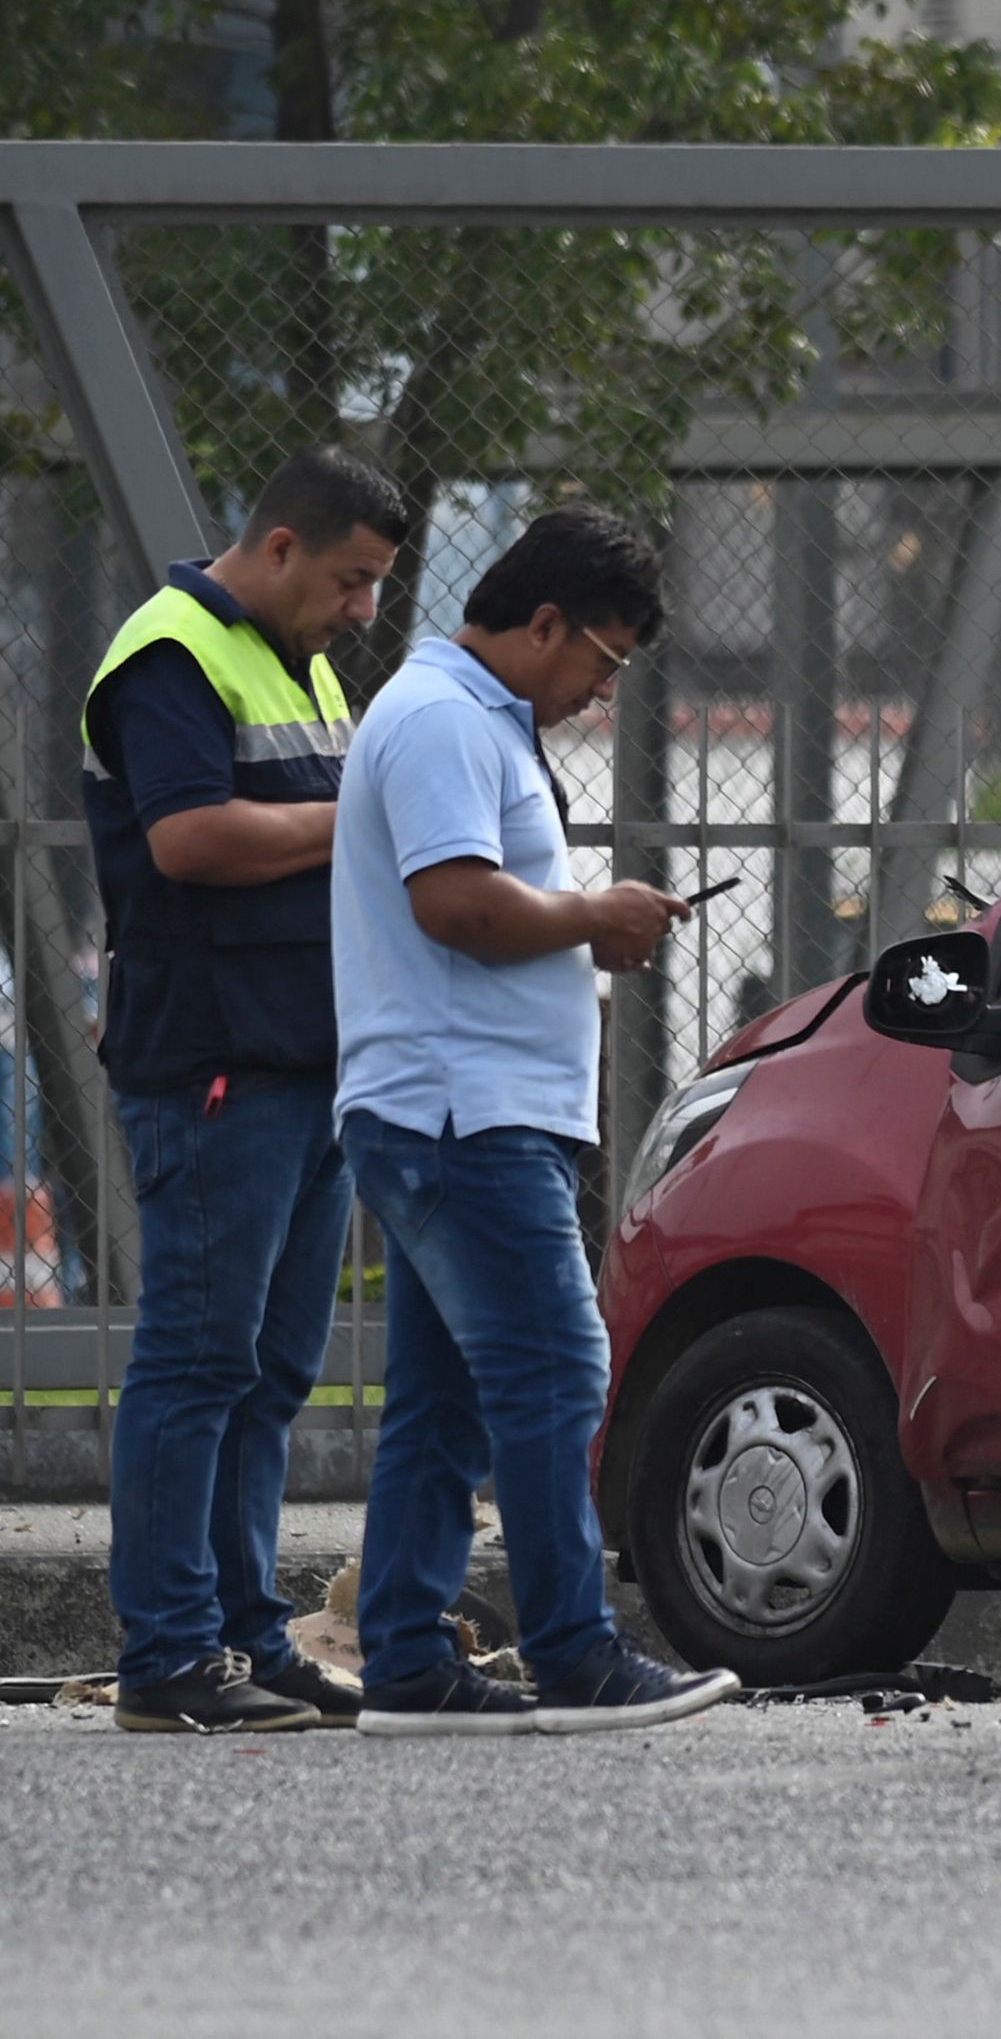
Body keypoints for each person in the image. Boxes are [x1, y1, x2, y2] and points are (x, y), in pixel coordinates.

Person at [333, 506, 733, 1735]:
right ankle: (574, 1653)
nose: (599, 694)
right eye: (600, 664)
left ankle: (403, 1658)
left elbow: (483, 908)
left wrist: (583, 922)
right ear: (543, 622)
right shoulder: (448, 719)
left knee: (447, 1402)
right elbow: (456, 904)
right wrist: (593, 917)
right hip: (467, 1118)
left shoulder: (461, 715)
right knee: (560, 1371)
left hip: (455, 1112)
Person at [85, 448, 410, 1734]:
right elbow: (190, 838)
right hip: (216, 1063)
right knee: (196, 1361)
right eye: (351, 581)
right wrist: (360, 816)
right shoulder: (171, 651)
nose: (362, 611)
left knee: (269, 1369)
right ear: (281, 547)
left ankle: (240, 1636)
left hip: (298, 1060)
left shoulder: (300, 660)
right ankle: (167, 1658)